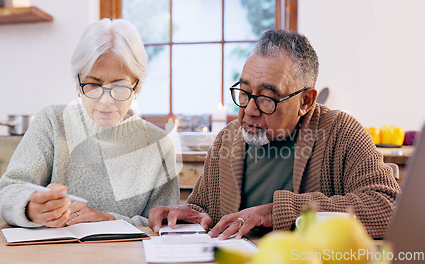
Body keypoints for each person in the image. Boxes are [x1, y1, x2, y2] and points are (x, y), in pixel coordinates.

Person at [148, 29, 400, 239]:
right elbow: (203, 209)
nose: (250, 110)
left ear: (306, 101)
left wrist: (276, 212)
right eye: (244, 92)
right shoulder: (228, 138)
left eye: (267, 99)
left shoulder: (341, 133)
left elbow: (389, 209)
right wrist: (188, 215)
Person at [0, 18, 179, 228]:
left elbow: (163, 223)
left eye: (119, 86)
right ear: (78, 82)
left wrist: (109, 220)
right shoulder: (52, 122)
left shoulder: (159, 145)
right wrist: (29, 207)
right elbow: (9, 191)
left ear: (137, 86)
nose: (106, 100)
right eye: (93, 84)